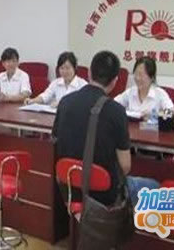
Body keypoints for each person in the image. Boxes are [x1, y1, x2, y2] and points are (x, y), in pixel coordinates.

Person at [53, 50, 159, 208]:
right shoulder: (116, 111)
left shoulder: (65, 102)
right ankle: (129, 223)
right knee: (155, 186)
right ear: (115, 81)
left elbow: (55, 140)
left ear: (89, 73)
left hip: (68, 188)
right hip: (104, 195)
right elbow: (125, 167)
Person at [115, 56, 174, 120]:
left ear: (152, 77)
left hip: (151, 126)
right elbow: (113, 105)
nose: (138, 78)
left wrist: (153, 115)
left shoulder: (160, 94)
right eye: (136, 74)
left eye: (141, 75)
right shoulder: (130, 92)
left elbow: (173, 115)